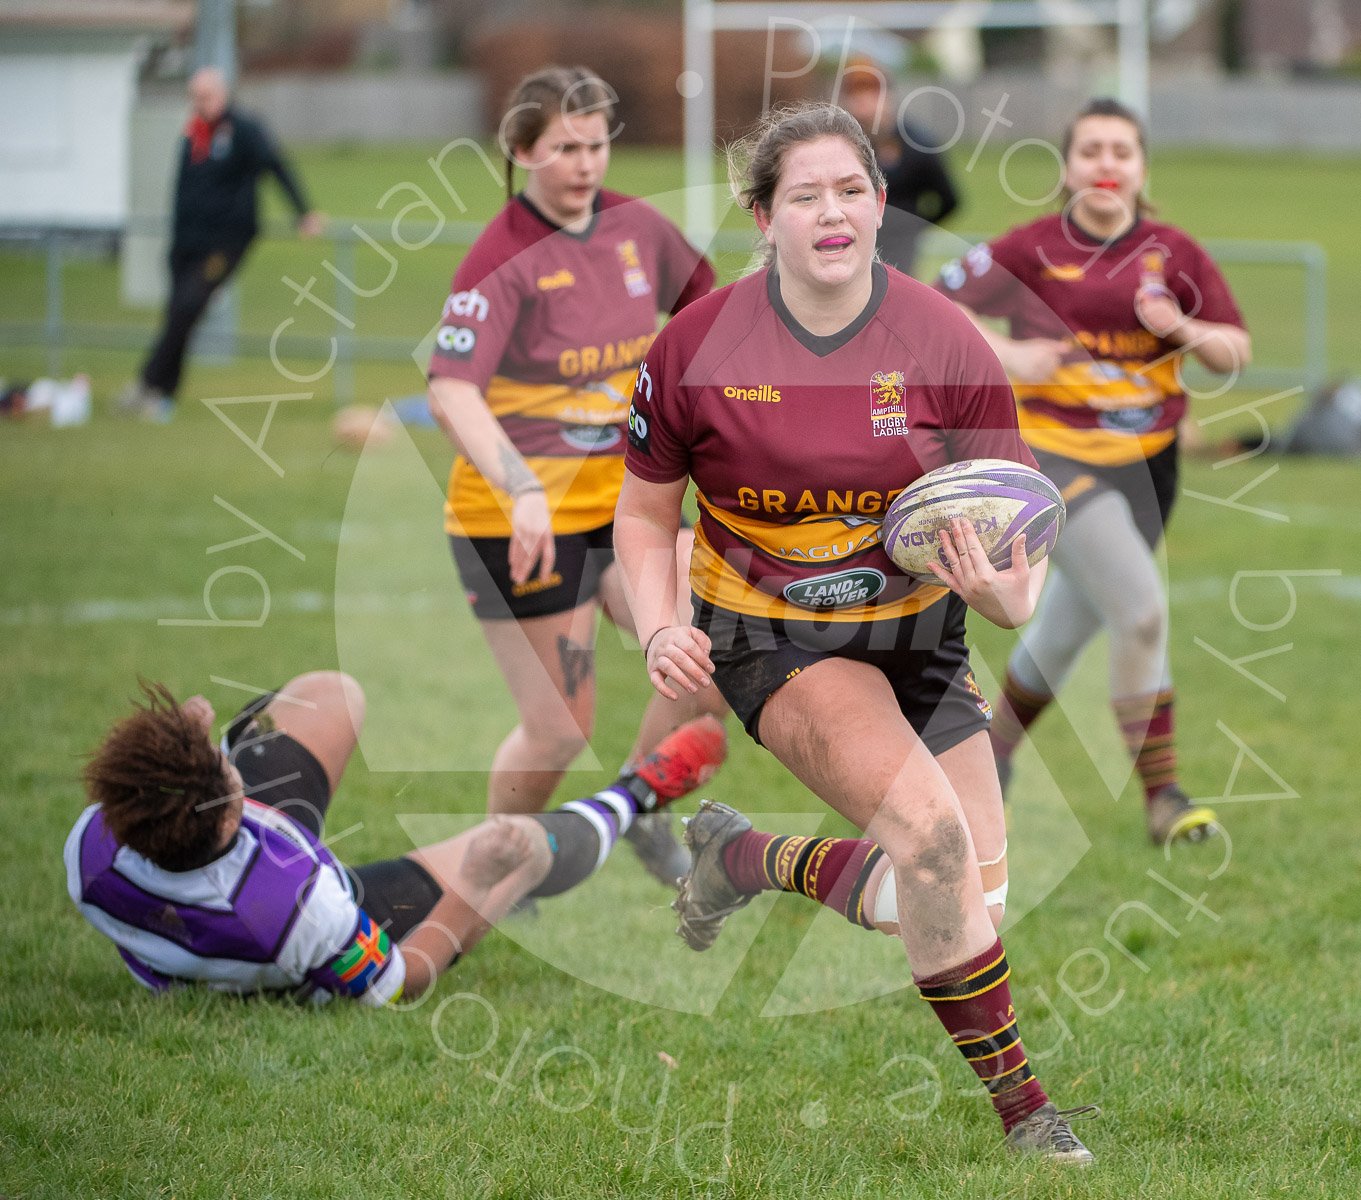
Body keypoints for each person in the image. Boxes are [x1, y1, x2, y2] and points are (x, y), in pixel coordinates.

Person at [614, 103, 1096, 1164]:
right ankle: (1029, 1117)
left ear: (882, 206)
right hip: (769, 638)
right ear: (763, 215)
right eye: (804, 195)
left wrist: (1012, 601)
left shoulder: (945, 339)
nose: (831, 212)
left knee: (966, 902)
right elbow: (645, 513)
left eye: (850, 191)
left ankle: (745, 857)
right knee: (929, 841)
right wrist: (658, 630)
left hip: (919, 640)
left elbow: (1020, 525)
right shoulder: (695, 348)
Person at [426, 65, 724, 884]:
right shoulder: (502, 257)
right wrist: (522, 489)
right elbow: (452, 389)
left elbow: (712, 317)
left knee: (705, 657)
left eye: (596, 144)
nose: (586, 163)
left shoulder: (638, 228)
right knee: (560, 728)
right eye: (564, 147)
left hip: (624, 508)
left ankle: (636, 805)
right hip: (515, 524)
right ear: (522, 151)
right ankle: (494, 868)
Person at [935, 97, 1252, 846]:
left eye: (1121, 151)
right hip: (1051, 458)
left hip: (1151, 466)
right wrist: (1008, 356)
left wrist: (1185, 329)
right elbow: (935, 303)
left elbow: (1234, 352)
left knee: (1072, 620)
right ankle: (1163, 797)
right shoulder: (1030, 247)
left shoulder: (1174, 252)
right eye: (1091, 151)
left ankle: (995, 750)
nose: (1106, 164)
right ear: (1068, 168)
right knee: (1140, 609)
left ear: (1141, 170)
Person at [64, 671, 725, 1006]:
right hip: (286, 938)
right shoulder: (305, 907)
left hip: (216, 899)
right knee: (524, 846)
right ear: (234, 820)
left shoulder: (92, 846)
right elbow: (402, 979)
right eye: (221, 762)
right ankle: (634, 797)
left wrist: (187, 744)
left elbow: (184, 794)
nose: (217, 743)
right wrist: (483, 884)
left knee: (331, 694)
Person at [118, 67, 324, 423]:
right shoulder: (193, 133)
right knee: (178, 316)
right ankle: (162, 395)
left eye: (207, 96)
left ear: (222, 93)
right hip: (186, 242)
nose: (201, 103)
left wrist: (303, 213)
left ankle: (147, 383)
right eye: (195, 97)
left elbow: (276, 166)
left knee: (186, 307)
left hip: (225, 242)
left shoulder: (244, 129)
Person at [839, 58, 960, 276]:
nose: (864, 103)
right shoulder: (840, 144)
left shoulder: (918, 143)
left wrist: (913, 225)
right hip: (850, 237)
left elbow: (949, 198)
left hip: (899, 245)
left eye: (872, 94)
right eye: (857, 96)